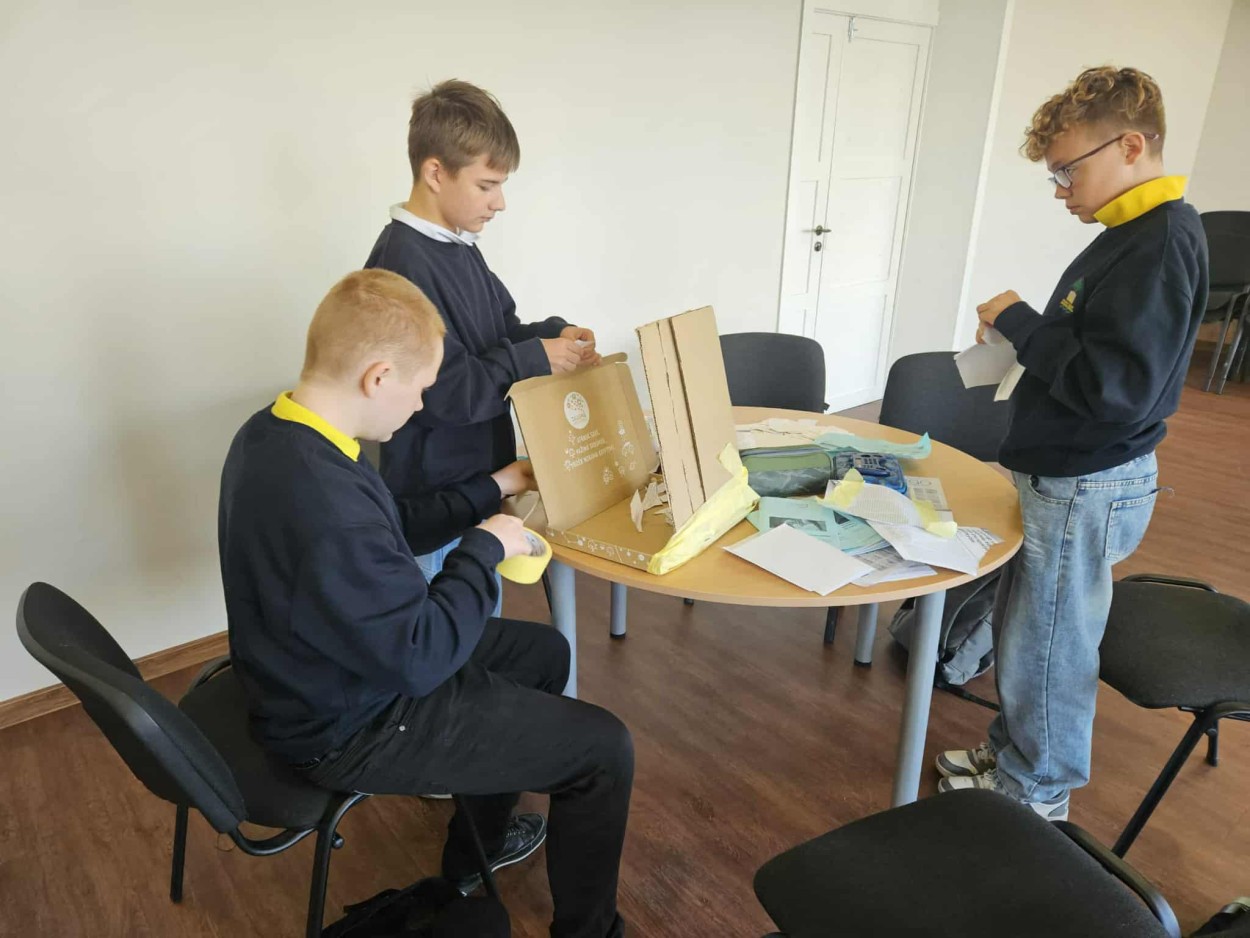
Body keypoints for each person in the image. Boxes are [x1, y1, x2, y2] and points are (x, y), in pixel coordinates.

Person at [218, 269, 632, 937]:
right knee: (604, 749)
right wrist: (483, 550)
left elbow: (397, 527)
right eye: (419, 390)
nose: (419, 407)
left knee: (543, 653)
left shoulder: (279, 432)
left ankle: (476, 853)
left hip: (325, 664)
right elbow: (421, 660)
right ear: (378, 377)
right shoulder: (327, 503)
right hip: (346, 720)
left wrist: (495, 485)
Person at [936, 66, 1209, 821]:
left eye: (1067, 171)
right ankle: (1015, 758)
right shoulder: (1132, 236)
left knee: (1050, 647)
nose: (1061, 191)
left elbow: (1112, 388)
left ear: (1129, 147)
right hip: (1067, 474)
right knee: (1025, 636)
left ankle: (1035, 795)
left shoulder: (1158, 244)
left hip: (1087, 480)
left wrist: (1021, 321)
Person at [365, 79, 599, 590]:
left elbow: (501, 332)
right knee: (449, 627)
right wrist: (534, 357)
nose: (500, 203)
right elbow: (447, 391)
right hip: (436, 507)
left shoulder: (459, 246)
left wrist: (556, 334)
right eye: (487, 185)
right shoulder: (402, 265)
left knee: (481, 621)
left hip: (479, 490)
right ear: (435, 173)